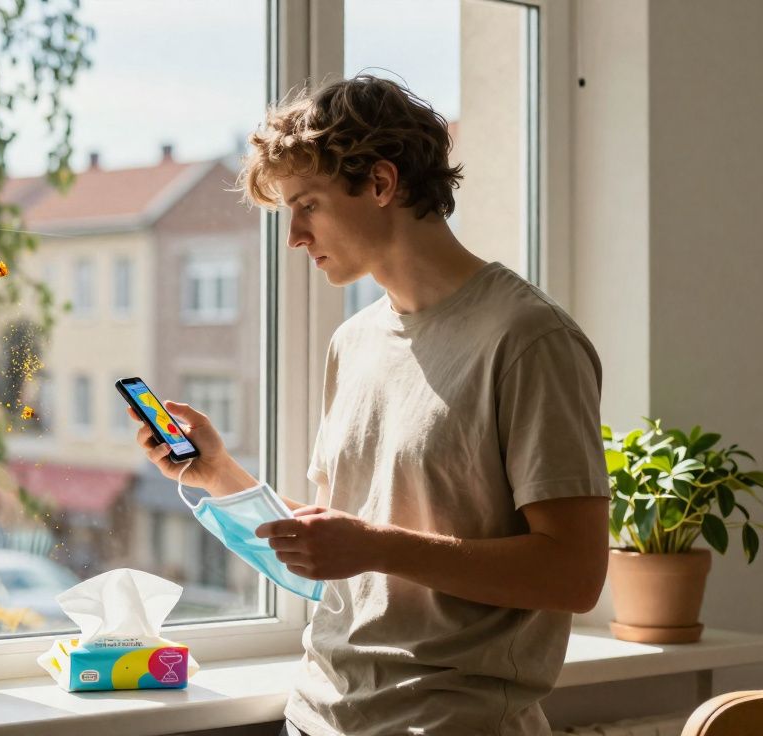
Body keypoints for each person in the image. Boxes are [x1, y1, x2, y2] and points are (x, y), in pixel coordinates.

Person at [126, 75, 609, 735]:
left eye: (309, 205)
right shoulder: (352, 343)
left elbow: (574, 574)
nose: (295, 235)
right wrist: (217, 475)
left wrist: (374, 545)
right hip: (317, 716)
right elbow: (340, 548)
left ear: (381, 184)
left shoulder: (527, 339)